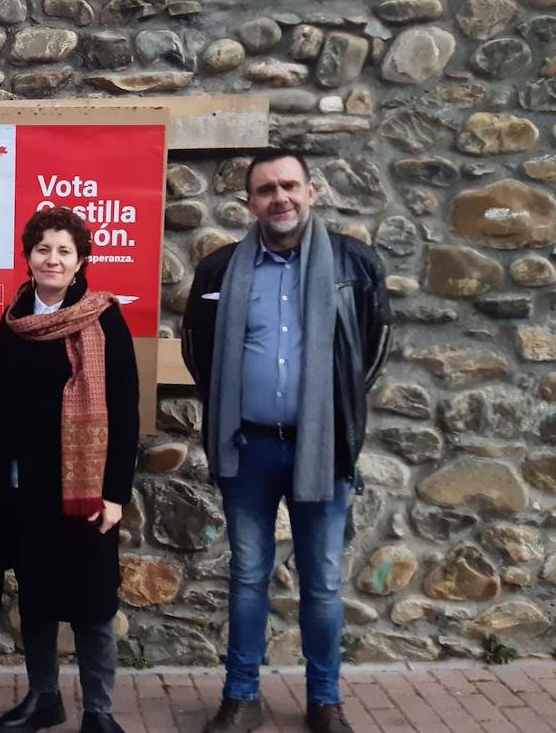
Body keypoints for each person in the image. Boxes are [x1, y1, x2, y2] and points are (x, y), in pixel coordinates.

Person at [181, 150, 391, 733]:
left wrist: (332, 412)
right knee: (248, 575)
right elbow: (197, 351)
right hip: (247, 449)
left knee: (322, 581)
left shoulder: (355, 265)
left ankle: (325, 700)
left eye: (289, 186)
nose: (280, 198)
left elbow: (370, 351)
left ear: (311, 191)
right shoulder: (220, 270)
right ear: (249, 201)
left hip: (320, 450)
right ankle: (241, 695)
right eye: (266, 189)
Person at [0, 206, 140, 733]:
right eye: (42, 248)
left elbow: (126, 409)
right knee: (38, 602)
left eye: (64, 250)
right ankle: (45, 698)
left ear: (81, 259)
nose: (52, 258)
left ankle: (99, 711)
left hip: (86, 494)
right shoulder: (15, 322)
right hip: (29, 490)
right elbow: (0, 406)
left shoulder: (103, 319)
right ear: (28, 258)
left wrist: (114, 493)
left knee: (92, 605)